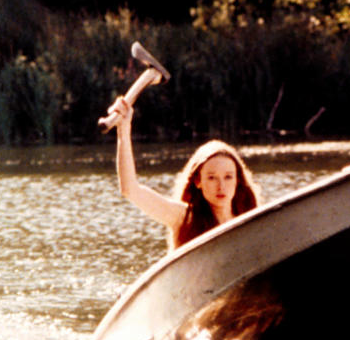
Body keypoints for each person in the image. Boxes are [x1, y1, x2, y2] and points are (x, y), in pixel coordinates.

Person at [107, 97, 261, 250]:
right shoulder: (184, 218)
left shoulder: (249, 222)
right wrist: (123, 130)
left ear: (238, 180)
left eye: (228, 177)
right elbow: (130, 190)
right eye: (212, 177)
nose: (221, 186)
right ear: (197, 181)